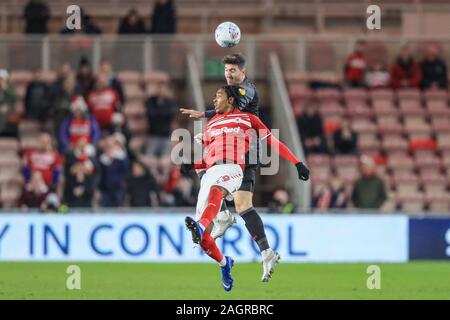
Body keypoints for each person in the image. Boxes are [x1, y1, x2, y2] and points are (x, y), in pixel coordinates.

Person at [182, 86, 309, 290]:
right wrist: (192, 165)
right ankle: (225, 264)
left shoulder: (248, 119)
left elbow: (273, 143)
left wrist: (296, 163)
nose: (214, 100)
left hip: (234, 168)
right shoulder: (211, 124)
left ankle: (218, 219)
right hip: (213, 171)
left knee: (218, 191)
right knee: (204, 239)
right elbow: (209, 158)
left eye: (219, 96)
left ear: (231, 100)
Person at [180, 53, 280, 279]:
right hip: (229, 146)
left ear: (243, 72)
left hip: (245, 150)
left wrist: (205, 114)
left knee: (243, 205)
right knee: (204, 166)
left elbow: (231, 112)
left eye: (233, 71)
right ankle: (261, 247)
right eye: (226, 71)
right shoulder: (229, 97)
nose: (229, 75)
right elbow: (224, 114)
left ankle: (257, 245)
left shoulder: (247, 91)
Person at [63, 137, 97, 208]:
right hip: (71, 190)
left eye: (84, 144)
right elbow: (67, 174)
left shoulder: (91, 158)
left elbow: (95, 175)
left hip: (87, 191)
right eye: (80, 144)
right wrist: (74, 188)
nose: (81, 146)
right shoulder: (70, 157)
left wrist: (84, 188)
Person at [98, 134, 129, 207]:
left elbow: (126, 172)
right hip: (105, 189)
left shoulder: (122, 158)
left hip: (118, 188)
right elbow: (100, 175)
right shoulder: (102, 159)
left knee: (118, 205)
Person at [0, 69, 18, 137]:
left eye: (2, 79)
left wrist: (5, 89)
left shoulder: (10, 89)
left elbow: (14, 98)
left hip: (8, 114)